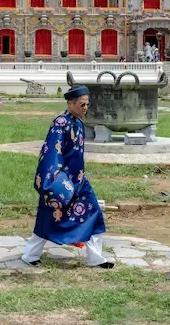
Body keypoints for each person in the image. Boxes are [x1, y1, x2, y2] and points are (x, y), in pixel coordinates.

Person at [22, 85, 114, 269]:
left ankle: (95, 258)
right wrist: (53, 182)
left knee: (94, 212)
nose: (85, 108)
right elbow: (51, 154)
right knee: (48, 217)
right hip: (61, 183)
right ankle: (30, 255)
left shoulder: (79, 123)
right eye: (82, 104)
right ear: (71, 103)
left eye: (87, 104)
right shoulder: (60, 123)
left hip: (79, 181)